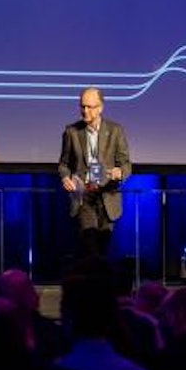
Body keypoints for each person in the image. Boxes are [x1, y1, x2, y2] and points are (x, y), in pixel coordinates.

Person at [57, 86, 131, 259]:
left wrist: (120, 172)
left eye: (89, 107)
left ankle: (96, 275)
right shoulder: (72, 132)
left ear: (100, 108)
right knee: (91, 247)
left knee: (102, 248)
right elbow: (63, 164)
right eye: (82, 106)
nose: (85, 111)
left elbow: (126, 164)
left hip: (108, 195)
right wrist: (65, 177)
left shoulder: (115, 131)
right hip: (84, 197)